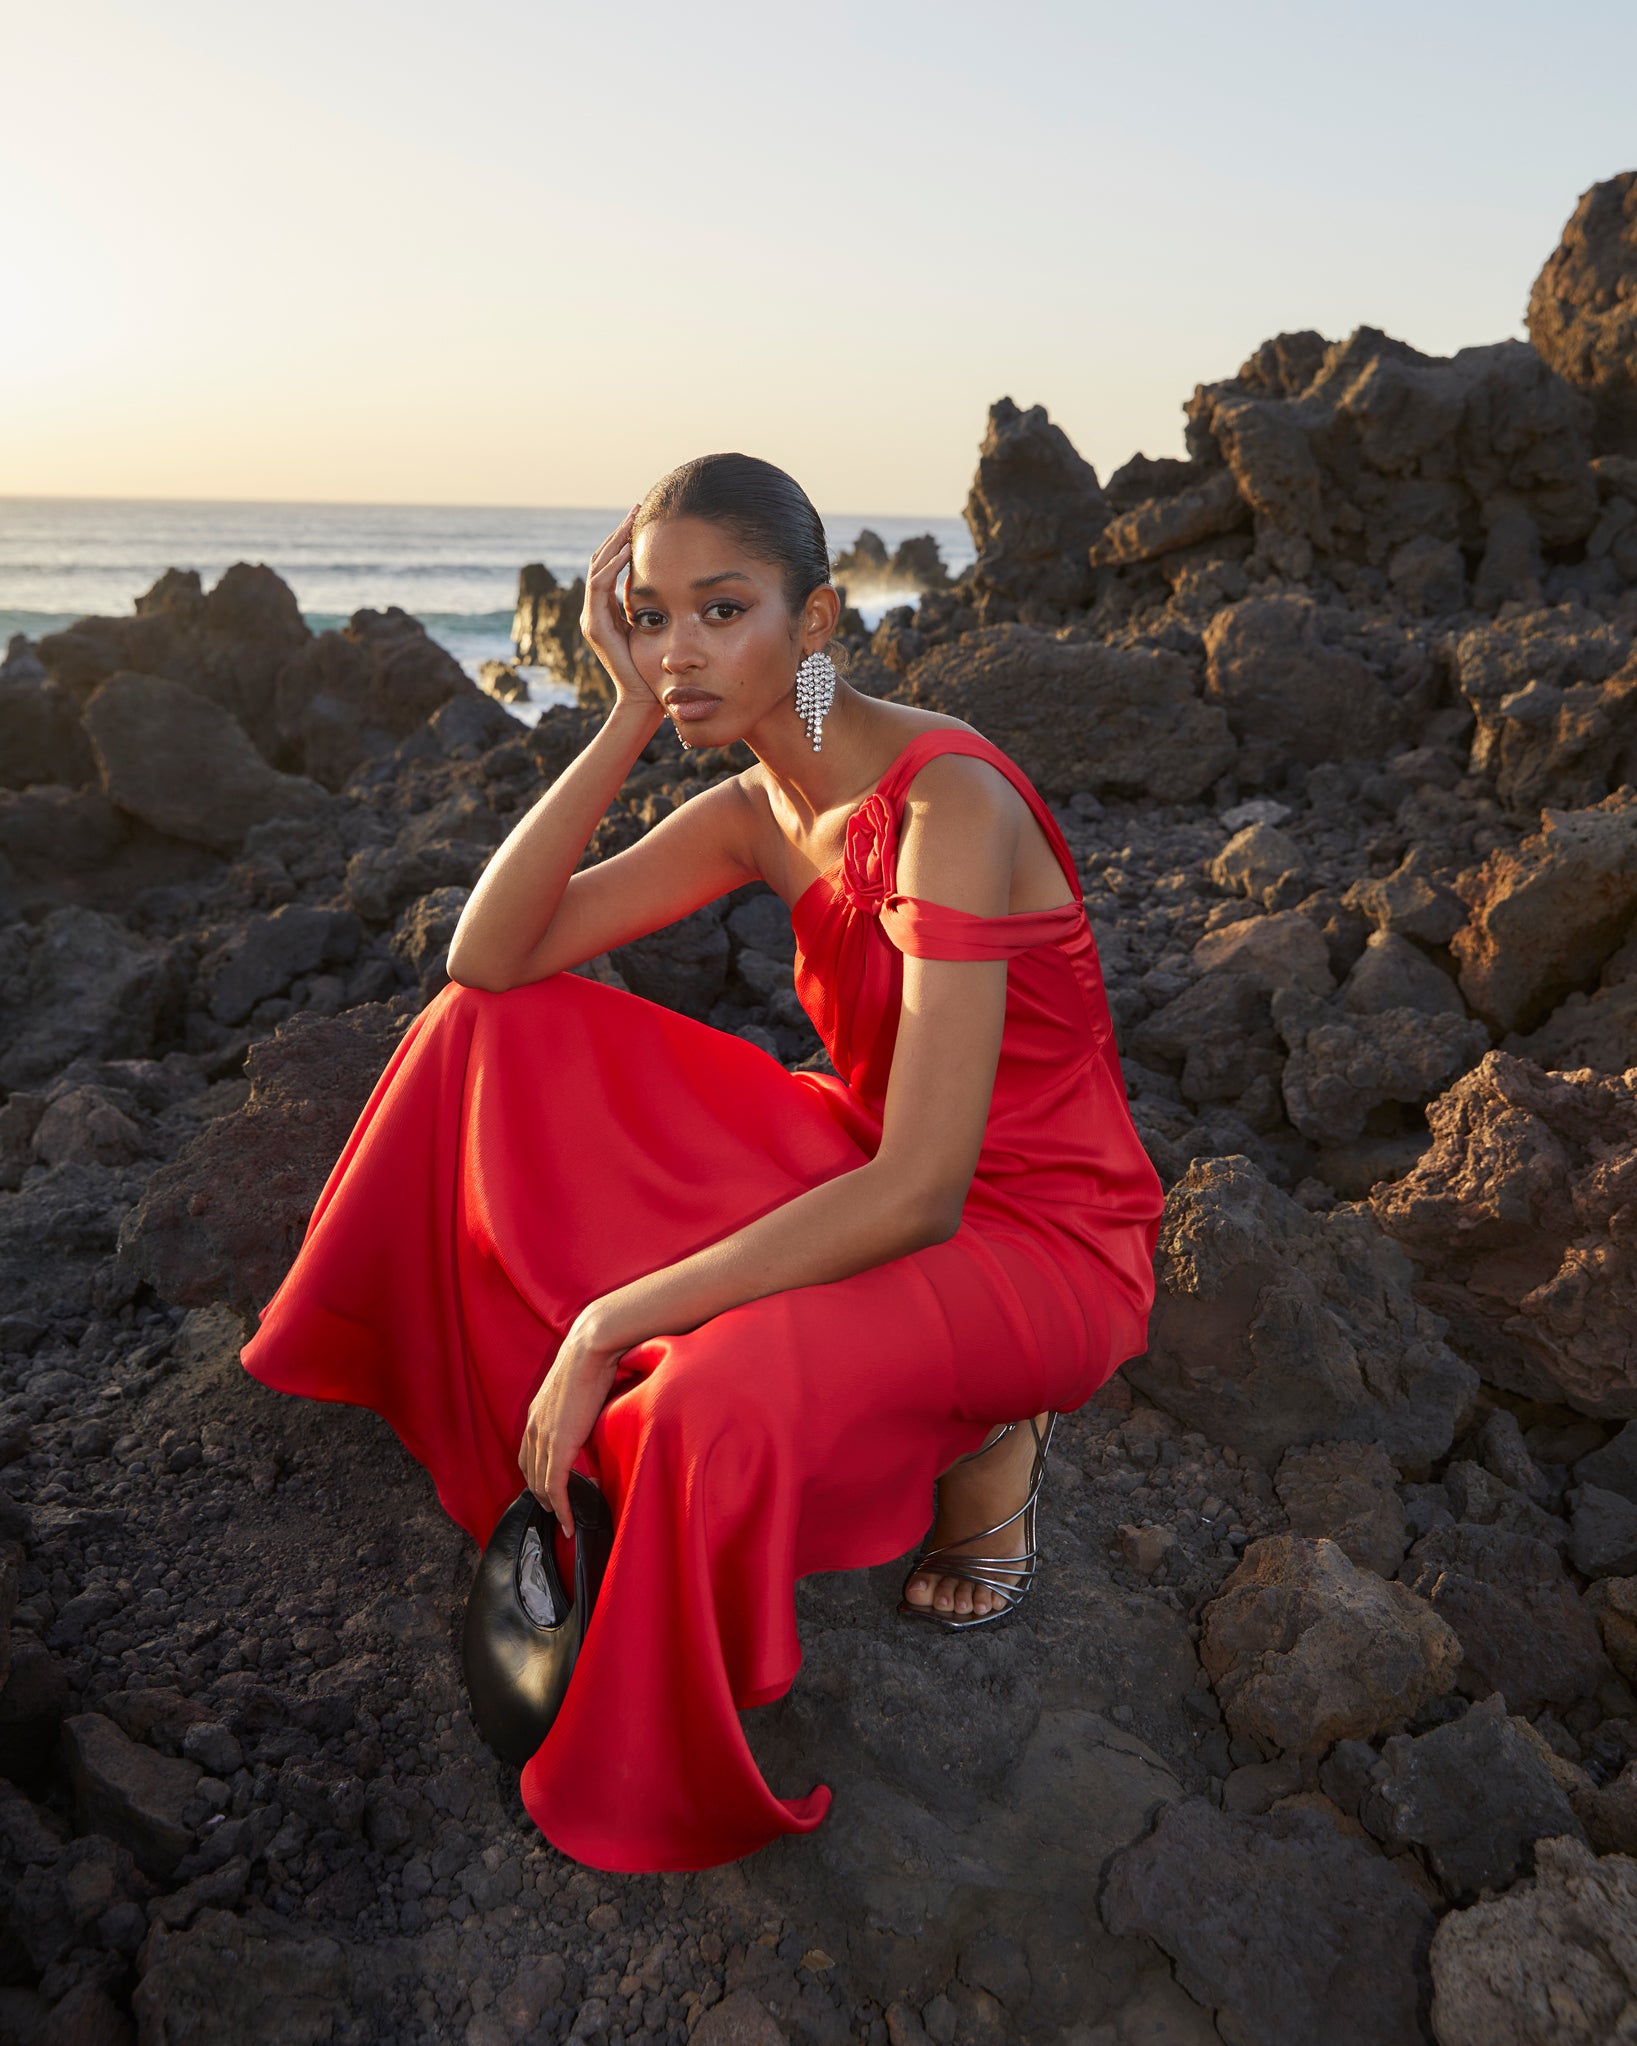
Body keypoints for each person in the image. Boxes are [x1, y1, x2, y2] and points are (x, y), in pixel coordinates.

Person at [238, 452, 1165, 1873]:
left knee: (697, 1402)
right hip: (851, 1154)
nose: (678, 653)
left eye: (720, 612)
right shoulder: (752, 806)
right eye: (651, 617)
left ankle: (990, 1434)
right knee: (482, 1032)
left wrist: (617, 1316)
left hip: (1034, 1236)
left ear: (817, 621)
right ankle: (427, 1355)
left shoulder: (947, 807)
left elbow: (924, 1190)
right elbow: (487, 959)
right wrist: (616, 719)